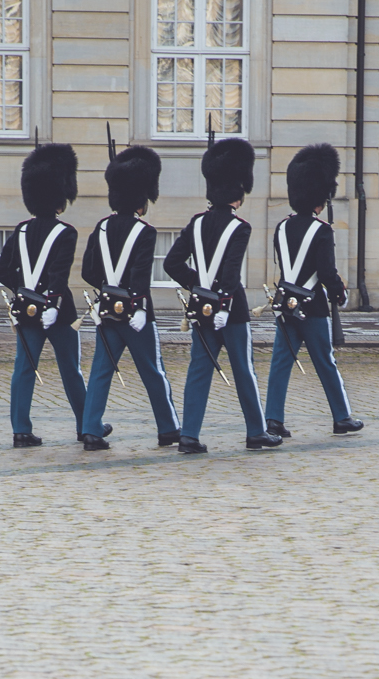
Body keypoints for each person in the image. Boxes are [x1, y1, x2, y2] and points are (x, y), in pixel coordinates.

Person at [163, 135, 281, 455]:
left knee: (199, 370)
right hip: (231, 310)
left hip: (201, 307)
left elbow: (172, 264)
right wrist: (224, 301)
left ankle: (189, 435)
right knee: (243, 369)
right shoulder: (240, 227)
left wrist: (198, 285)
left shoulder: (196, 223)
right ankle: (256, 432)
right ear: (237, 192)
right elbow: (230, 273)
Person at [79, 144, 181, 451]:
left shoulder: (101, 227)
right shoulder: (145, 231)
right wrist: (136, 305)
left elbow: (87, 271)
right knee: (153, 371)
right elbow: (140, 274)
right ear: (141, 199)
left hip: (107, 312)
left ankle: (91, 431)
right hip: (137, 314)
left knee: (101, 371)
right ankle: (168, 429)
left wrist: (107, 292)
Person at [0, 142, 96, 447]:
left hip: (26, 310)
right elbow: (59, 275)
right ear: (61, 199)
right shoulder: (66, 232)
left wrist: (22, 290)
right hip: (59, 313)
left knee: (24, 370)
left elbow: (1, 271)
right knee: (71, 372)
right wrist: (50, 300)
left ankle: (20, 430)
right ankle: (86, 426)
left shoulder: (21, 230)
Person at [263, 143, 363, 439]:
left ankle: (273, 419)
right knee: (325, 362)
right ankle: (341, 417)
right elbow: (327, 272)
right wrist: (340, 294)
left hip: (286, 304)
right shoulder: (322, 231)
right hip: (313, 307)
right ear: (320, 196)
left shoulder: (281, 227)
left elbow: (285, 265)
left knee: (281, 362)